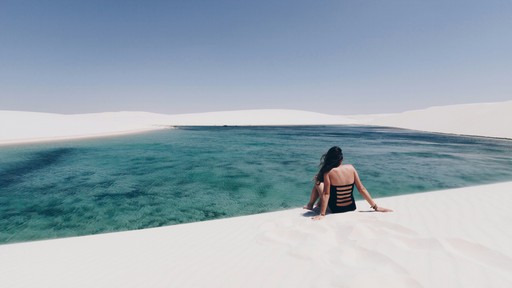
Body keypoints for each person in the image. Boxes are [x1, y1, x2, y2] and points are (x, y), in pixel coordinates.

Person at [303, 146, 392, 220]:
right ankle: (317, 204)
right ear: (341, 159)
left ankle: (310, 205)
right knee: (319, 182)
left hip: (335, 209)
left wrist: (322, 214)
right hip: (351, 207)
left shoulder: (328, 172)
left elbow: (326, 194)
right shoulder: (351, 168)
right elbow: (361, 189)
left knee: (317, 181)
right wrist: (375, 207)